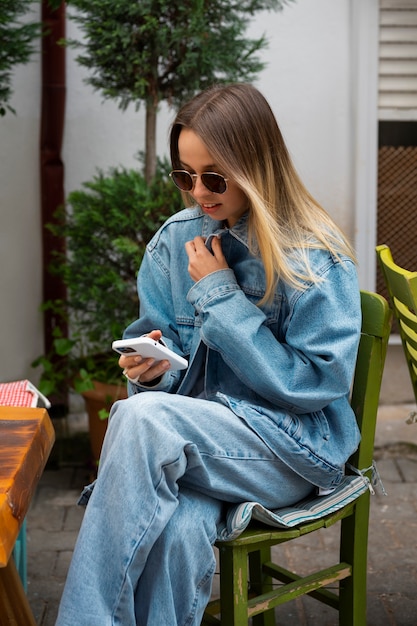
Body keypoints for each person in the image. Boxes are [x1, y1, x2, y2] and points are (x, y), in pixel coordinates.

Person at [56, 83, 361, 625]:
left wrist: (222, 293)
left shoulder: (313, 257)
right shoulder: (173, 243)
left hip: (289, 452)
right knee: (176, 528)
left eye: (214, 177)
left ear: (256, 164)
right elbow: (160, 368)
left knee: (141, 421)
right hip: (198, 449)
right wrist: (149, 372)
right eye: (184, 175)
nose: (198, 191)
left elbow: (317, 385)